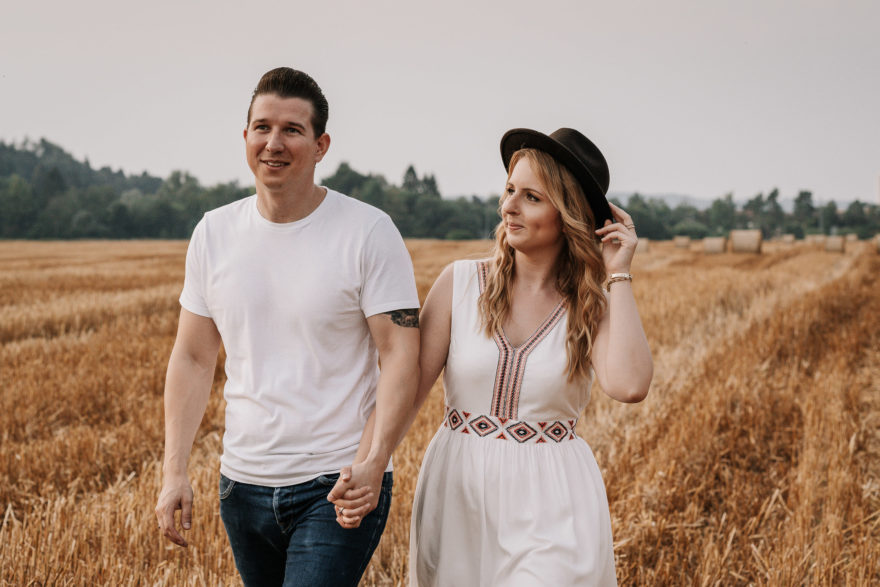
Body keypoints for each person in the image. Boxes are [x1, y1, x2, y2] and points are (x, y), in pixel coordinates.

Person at [154, 67, 421, 587]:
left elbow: (401, 356)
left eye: (292, 130)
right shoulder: (213, 233)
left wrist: (374, 460)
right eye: (263, 127)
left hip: (336, 482)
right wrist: (174, 471)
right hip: (242, 485)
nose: (273, 143)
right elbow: (193, 357)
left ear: (321, 146)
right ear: (246, 136)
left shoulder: (368, 231)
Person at [409, 128, 653, 585]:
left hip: (553, 497)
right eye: (509, 190)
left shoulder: (591, 306)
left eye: (531, 197)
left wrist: (618, 274)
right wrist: (368, 464)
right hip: (458, 489)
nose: (510, 207)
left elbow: (630, 385)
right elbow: (407, 391)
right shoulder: (459, 283)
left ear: (569, 215)